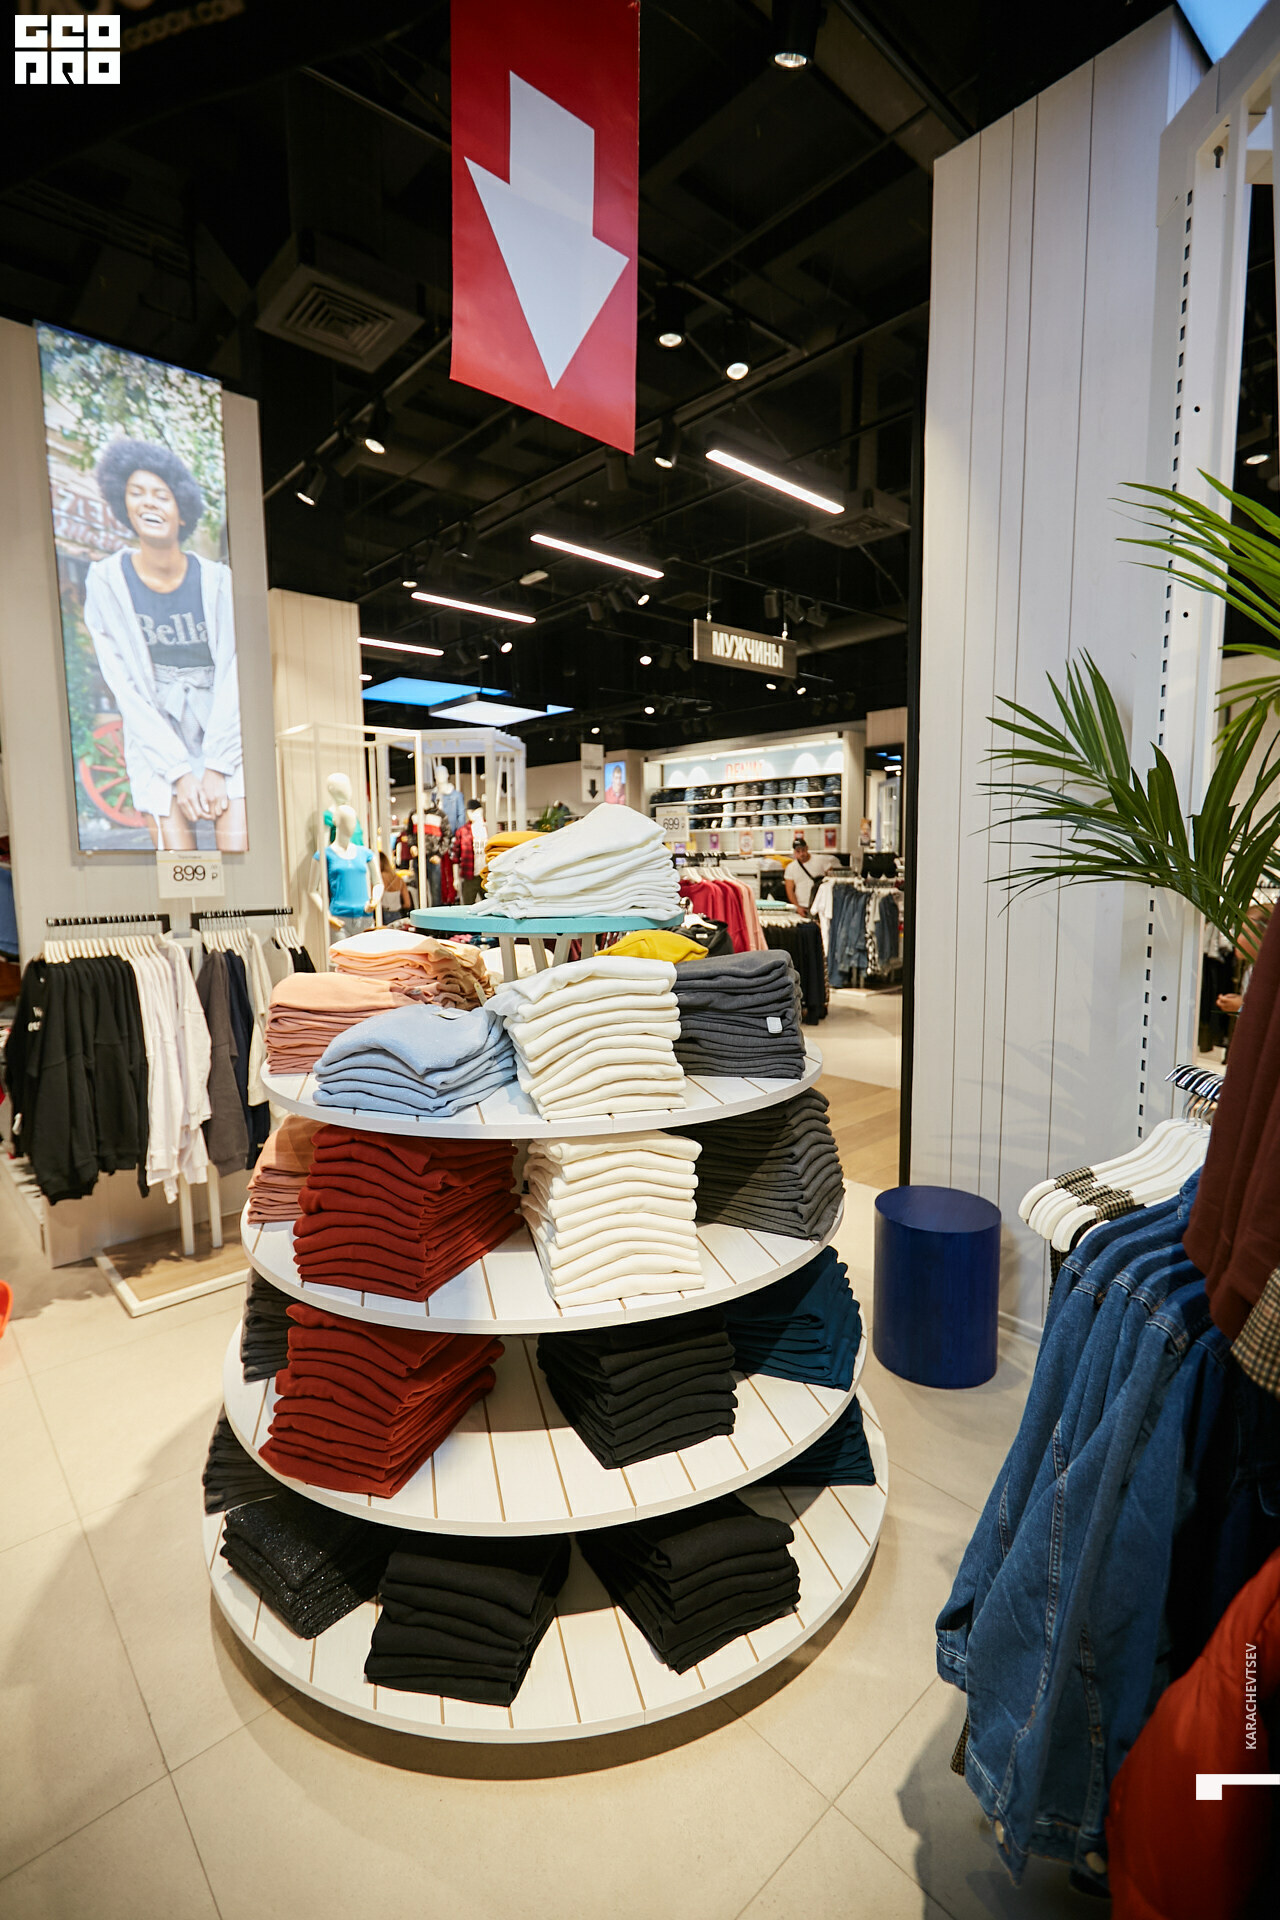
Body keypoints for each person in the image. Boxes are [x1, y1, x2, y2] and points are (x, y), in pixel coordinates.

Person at [83, 437, 246, 851]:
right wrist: (178, 771)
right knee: (178, 867)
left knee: (239, 851)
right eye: (136, 493)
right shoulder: (106, 581)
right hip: (154, 730)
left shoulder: (218, 582)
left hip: (221, 726)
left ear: (181, 509)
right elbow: (125, 688)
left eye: (161, 494)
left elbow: (235, 673)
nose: (148, 503)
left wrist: (217, 765)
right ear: (123, 504)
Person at [784, 836, 829, 917]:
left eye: (803, 850)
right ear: (794, 852)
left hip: (821, 905)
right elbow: (790, 890)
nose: (801, 854)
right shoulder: (791, 868)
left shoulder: (821, 860)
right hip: (803, 906)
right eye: (798, 851)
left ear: (807, 848)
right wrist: (797, 907)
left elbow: (831, 879)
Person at [379, 851, 412, 916]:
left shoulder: (379, 878)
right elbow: (407, 904)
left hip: (383, 913)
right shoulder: (399, 879)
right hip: (397, 914)